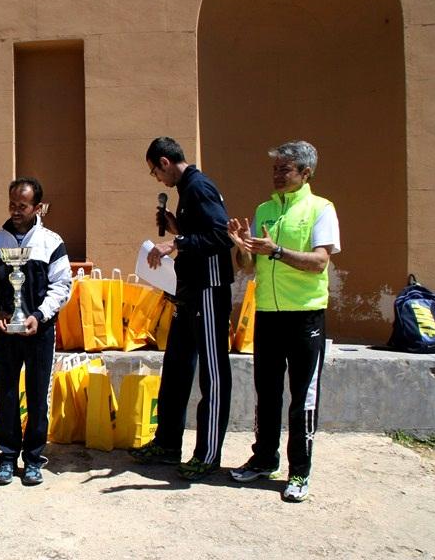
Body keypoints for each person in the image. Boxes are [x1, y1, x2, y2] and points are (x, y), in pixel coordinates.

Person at [227, 140, 340, 502]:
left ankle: (300, 472)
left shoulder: (321, 209)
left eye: (285, 169)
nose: (277, 175)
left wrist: (276, 251)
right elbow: (248, 267)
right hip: (268, 314)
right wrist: (243, 248)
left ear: (306, 173)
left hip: (305, 315)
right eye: (275, 168)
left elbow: (320, 262)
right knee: (267, 392)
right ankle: (264, 458)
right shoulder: (265, 210)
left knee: (302, 397)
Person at [130, 136, 234, 481]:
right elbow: (201, 234)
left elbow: (222, 236)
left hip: (208, 291)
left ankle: (207, 454)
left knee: (213, 374)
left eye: (154, 172)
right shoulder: (186, 190)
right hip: (187, 293)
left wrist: (175, 241)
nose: (157, 179)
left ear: (164, 162)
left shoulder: (199, 187)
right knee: (176, 367)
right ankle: (167, 443)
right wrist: (180, 228)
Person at [0, 177, 71, 486]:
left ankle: (33, 459)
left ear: (38, 207)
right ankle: (7, 456)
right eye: (12, 205)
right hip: (5, 332)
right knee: (6, 394)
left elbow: (62, 286)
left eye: (22, 205)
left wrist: (39, 316)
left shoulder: (51, 242)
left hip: (39, 333)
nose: (16, 211)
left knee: (37, 396)